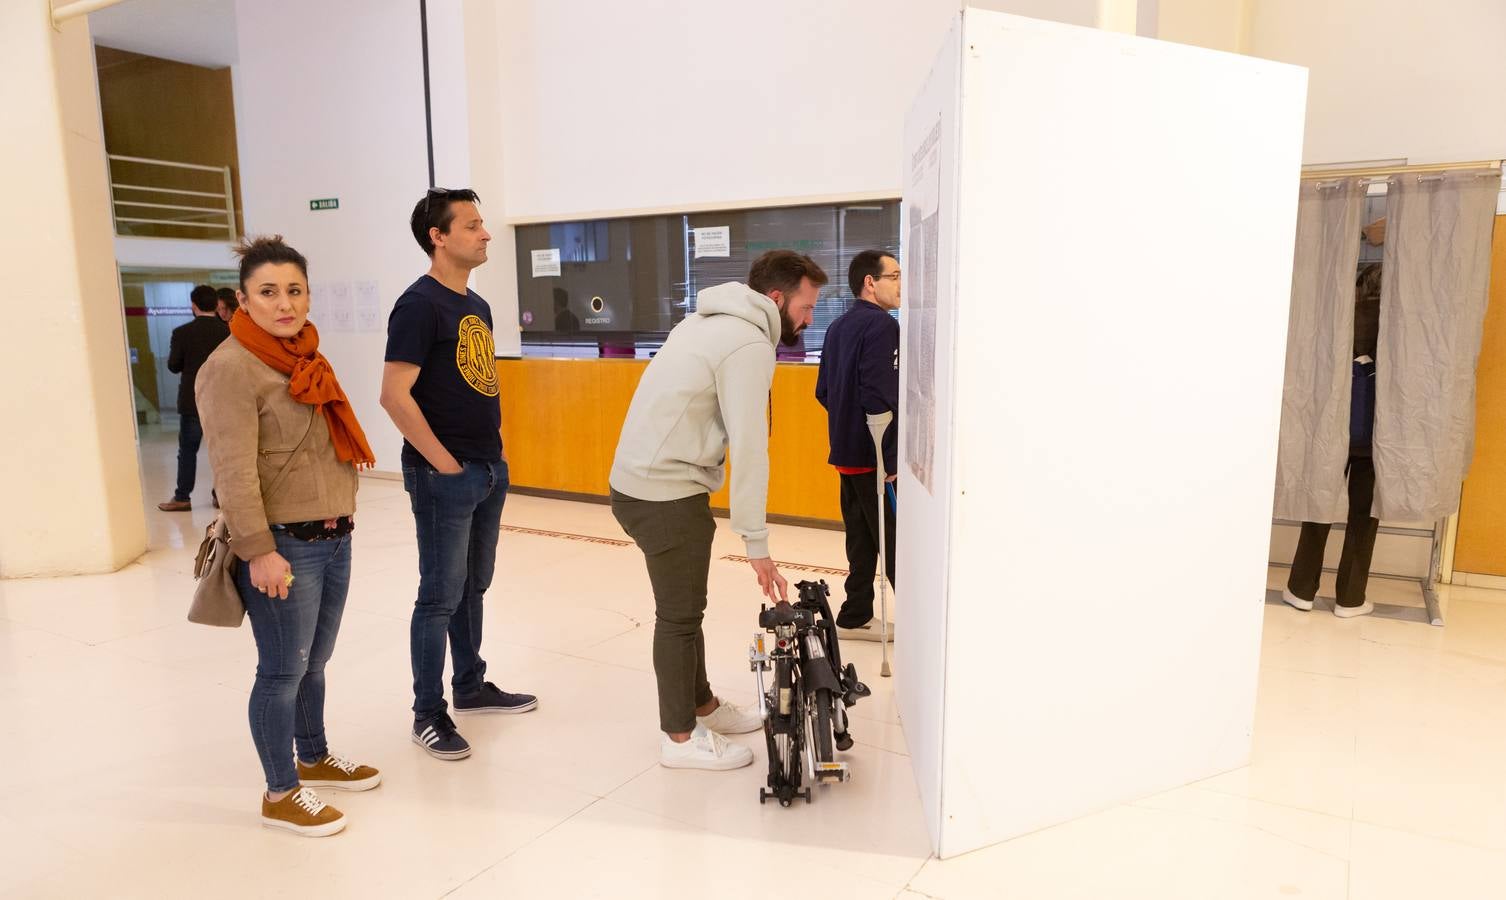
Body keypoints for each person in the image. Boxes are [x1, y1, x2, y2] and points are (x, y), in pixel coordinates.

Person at [609, 250, 825, 771]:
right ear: (776, 298)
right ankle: (680, 739)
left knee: (688, 608)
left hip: (644, 481)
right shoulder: (749, 343)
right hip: (664, 490)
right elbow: (751, 447)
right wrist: (757, 544)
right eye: (807, 305)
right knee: (679, 617)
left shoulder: (705, 319)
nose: (810, 317)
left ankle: (701, 705)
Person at [197, 236, 381, 837]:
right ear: (242, 302)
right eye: (269, 292)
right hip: (282, 542)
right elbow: (234, 470)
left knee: (315, 661)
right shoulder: (229, 368)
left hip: (332, 532)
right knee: (282, 670)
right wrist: (259, 551)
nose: (285, 303)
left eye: (294, 290)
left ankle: (314, 753)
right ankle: (281, 790)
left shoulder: (306, 355)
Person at [381, 187, 537, 762]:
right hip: (443, 473)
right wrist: (443, 464)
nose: (486, 233)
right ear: (437, 237)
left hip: (486, 466)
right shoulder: (418, 305)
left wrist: (491, 460)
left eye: (483, 224)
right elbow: (394, 396)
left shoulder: (476, 307)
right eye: (472, 225)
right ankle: (428, 712)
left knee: (474, 585)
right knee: (439, 596)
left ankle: (470, 685)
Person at [1283, 263, 1383, 618]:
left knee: (1320, 505)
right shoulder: (1397, 323)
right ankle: (1350, 598)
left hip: (1333, 429)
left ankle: (1301, 589)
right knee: (1364, 516)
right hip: (1375, 436)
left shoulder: (1342, 319)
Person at [816, 250, 900, 641]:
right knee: (894, 538)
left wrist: (845, 426)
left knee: (862, 537)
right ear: (871, 281)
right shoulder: (883, 326)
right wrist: (891, 457)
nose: (901, 285)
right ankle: (920, 621)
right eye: (895, 276)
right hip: (874, 455)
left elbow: (824, 392)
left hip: (847, 453)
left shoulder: (837, 327)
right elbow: (879, 394)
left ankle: (854, 615)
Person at [159, 284, 230, 511]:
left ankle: (182, 497)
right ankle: (221, 495)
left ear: (194, 306)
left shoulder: (181, 333)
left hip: (192, 400)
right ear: (216, 305)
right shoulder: (227, 332)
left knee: (188, 451)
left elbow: (173, 365)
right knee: (224, 451)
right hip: (223, 399)